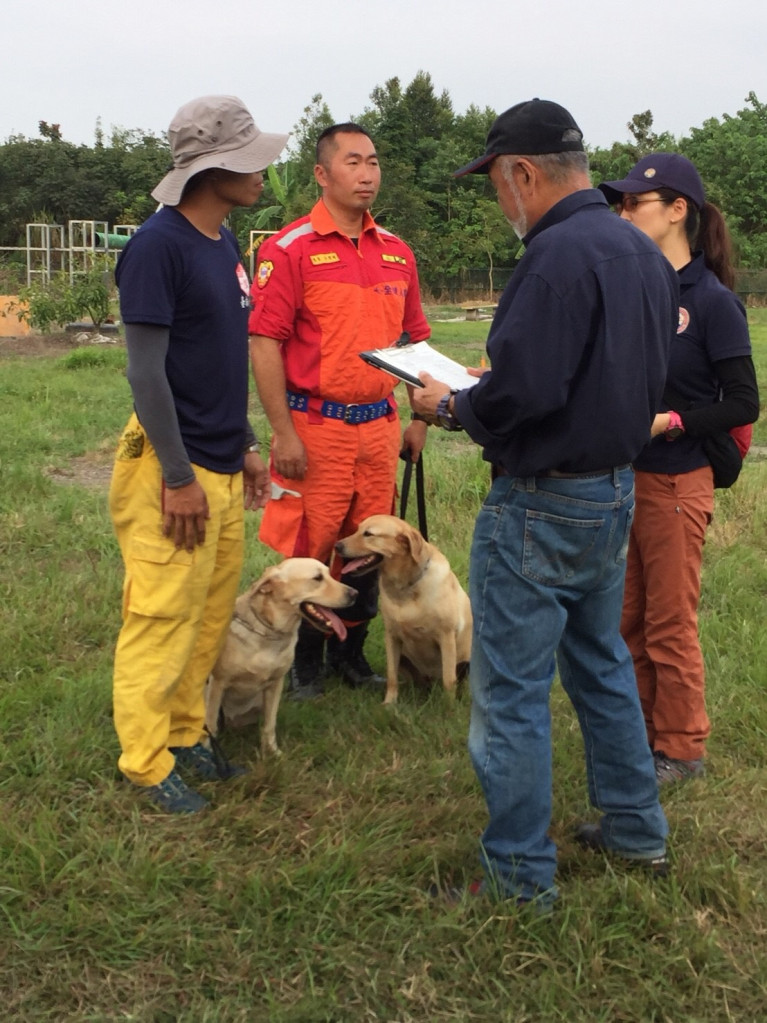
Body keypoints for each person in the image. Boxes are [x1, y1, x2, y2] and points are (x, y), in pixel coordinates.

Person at [412, 99, 677, 906]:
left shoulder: (553, 255)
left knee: (511, 693)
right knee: (599, 663)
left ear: (523, 173)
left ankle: (518, 875)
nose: (500, 201)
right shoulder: (637, 251)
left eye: (497, 183)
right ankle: (636, 830)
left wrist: (451, 406)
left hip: (541, 501)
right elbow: (617, 368)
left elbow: (524, 387)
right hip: (612, 490)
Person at [110, 95, 288, 813]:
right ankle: (145, 760)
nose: (263, 172)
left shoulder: (221, 243)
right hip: (168, 466)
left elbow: (215, 361)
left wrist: (244, 443)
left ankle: (186, 732)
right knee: (159, 615)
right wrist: (178, 476)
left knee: (208, 610)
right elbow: (145, 373)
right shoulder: (158, 247)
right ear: (211, 171)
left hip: (217, 460)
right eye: (249, 161)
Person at [248, 122, 431, 699]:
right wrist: (284, 434)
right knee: (311, 546)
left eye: (373, 161)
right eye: (353, 162)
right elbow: (264, 343)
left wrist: (420, 417)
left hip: (377, 430)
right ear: (322, 174)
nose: (367, 173)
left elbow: (415, 342)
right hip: (315, 428)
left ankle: (352, 657)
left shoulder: (398, 252)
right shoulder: (289, 248)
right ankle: (304, 665)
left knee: (368, 547)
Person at [598, 154, 760, 785]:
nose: (624, 212)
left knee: (669, 622)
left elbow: (744, 401)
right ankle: (639, 736)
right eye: (621, 203)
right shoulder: (632, 287)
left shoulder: (712, 302)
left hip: (676, 479)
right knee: (625, 621)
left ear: (676, 211)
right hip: (624, 479)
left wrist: (670, 421)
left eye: (635, 202)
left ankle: (683, 749)